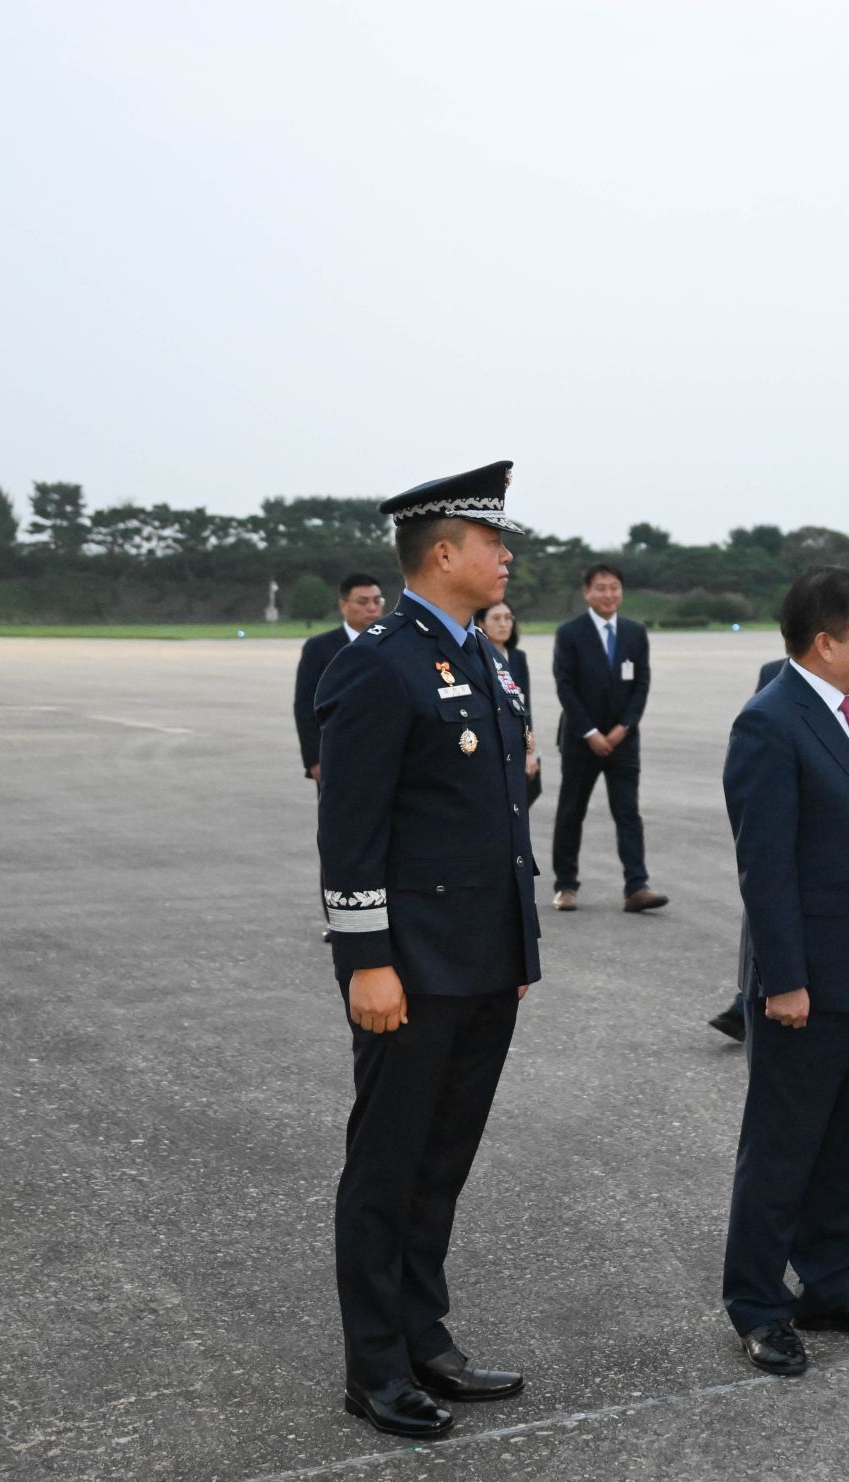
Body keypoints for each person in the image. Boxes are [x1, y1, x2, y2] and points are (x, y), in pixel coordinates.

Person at [314, 462, 539, 1440]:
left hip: (485, 958)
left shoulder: (486, 656)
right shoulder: (379, 660)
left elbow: (493, 812)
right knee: (387, 1164)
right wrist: (365, 958)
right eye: (493, 542)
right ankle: (374, 1366)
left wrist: (519, 945)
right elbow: (350, 828)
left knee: (440, 1162)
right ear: (443, 552)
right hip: (409, 967)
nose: (507, 556)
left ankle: (422, 1331)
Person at [720, 568, 849, 1377]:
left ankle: (830, 1279)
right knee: (781, 1148)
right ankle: (759, 1305)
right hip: (808, 981)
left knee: (847, 1139)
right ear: (825, 642)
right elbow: (765, 871)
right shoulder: (769, 725)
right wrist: (785, 980)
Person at [710, 654, 849, 1045]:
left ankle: (751, 1000)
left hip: (834, 843)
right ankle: (751, 998)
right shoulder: (773, 679)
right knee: (772, 896)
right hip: (580, 738)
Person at [551, 564, 667, 914]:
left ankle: (637, 886)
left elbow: (642, 684)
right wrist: (590, 732)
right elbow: (565, 686)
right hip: (581, 740)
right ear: (587, 592)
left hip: (623, 741)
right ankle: (566, 885)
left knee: (628, 813)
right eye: (601, 588)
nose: (609, 595)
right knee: (571, 812)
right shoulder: (570, 633)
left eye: (614, 588)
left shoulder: (634, 632)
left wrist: (623, 728)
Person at [296, 575, 387, 782]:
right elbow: (305, 707)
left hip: (387, 757)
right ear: (344, 605)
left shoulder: (394, 643)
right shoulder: (319, 648)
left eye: (377, 601)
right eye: (363, 602)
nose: (372, 608)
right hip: (337, 758)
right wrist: (314, 760)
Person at [478, 601, 540, 807]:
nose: (504, 624)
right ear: (481, 623)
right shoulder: (475, 659)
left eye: (508, 618)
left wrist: (530, 751)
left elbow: (525, 706)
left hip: (517, 740)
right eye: (496, 618)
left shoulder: (517, 658)